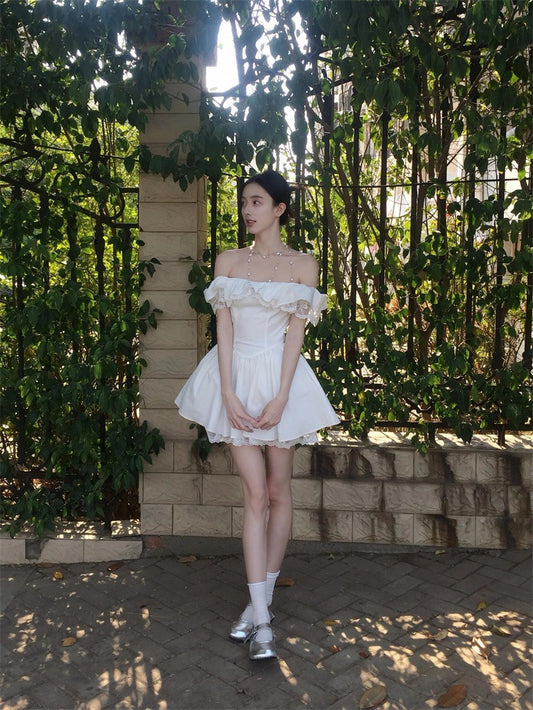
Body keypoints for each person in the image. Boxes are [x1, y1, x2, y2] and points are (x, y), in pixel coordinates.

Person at [175, 170, 339, 661]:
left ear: (279, 208)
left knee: (278, 491)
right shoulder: (229, 261)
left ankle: (257, 603)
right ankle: (263, 623)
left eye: (257, 201)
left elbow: (295, 336)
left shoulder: (303, 265)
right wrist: (227, 392)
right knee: (254, 494)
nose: (248, 209)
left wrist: (282, 397)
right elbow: (222, 328)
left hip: (279, 380)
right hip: (236, 378)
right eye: (244, 201)